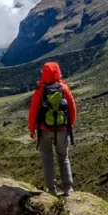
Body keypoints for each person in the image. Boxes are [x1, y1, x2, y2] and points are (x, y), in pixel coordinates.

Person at [28, 62, 76, 197]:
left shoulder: (40, 91)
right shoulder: (64, 89)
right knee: (63, 156)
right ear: (58, 72)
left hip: (44, 130)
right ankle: (67, 188)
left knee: (47, 159)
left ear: (44, 73)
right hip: (62, 129)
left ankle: (52, 189)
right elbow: (72, 108)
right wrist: (69, 125)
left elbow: (33, 112)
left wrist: (32, 129)